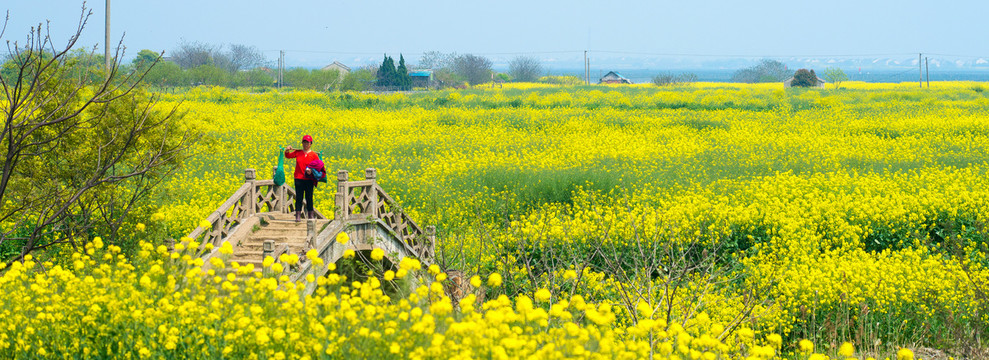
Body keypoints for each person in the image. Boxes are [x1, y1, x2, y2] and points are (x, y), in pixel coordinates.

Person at [284, 135, 320, 222]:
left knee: (309, 197)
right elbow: (288, 156)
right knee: (299, 197)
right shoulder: (298, 152)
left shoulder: (314, 155)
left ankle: (310, 216)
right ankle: (298, 216)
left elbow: (319, 166)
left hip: (309, 179)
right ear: (302, 143)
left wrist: (311, 171)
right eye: (304, 142)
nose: (305, 144)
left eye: (307, 142)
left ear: (311, 144)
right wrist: (287, 149)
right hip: (298, 178)